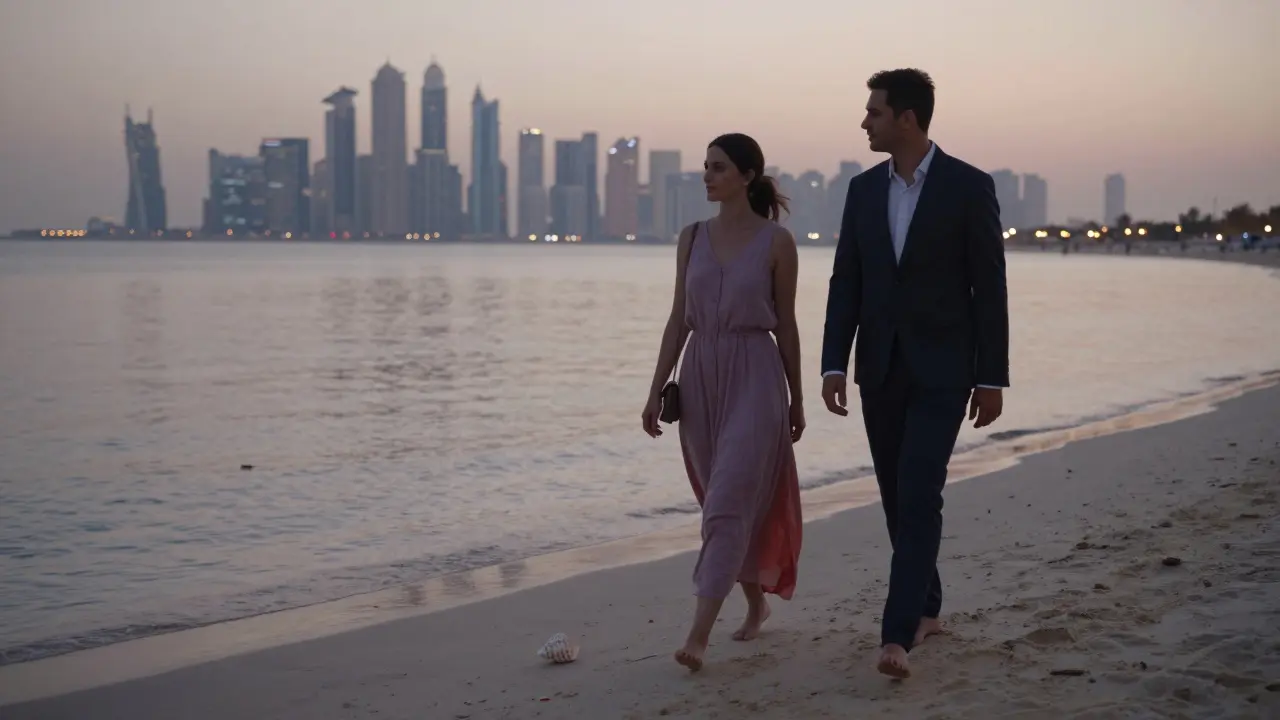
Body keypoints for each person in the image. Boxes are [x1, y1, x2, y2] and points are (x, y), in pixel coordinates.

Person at [819, 69, 1010, 679]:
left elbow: (990, 288)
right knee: (895, 499)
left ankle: (896, 635)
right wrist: (831, 363)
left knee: (920, 492)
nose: (864, 121)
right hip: (878, 367)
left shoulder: (968, 186)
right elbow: (847, 279)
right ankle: (927, 607)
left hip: (945, 370)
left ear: (906, 117)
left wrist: (992, 376)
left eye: (873, 111)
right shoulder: (862, 189)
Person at [641, 133, 805, 673]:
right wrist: (654, 388)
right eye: (705, 168)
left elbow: (786, 323)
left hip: (756, 374)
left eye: (718, 168)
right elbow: (676, 320)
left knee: (730, 501)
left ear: (747, 176)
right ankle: (756, 602)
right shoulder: (690, 238)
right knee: (721, 503)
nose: (707, 177)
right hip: (700, 380)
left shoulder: (777, 243)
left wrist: (797, 397)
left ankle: (697, 637)